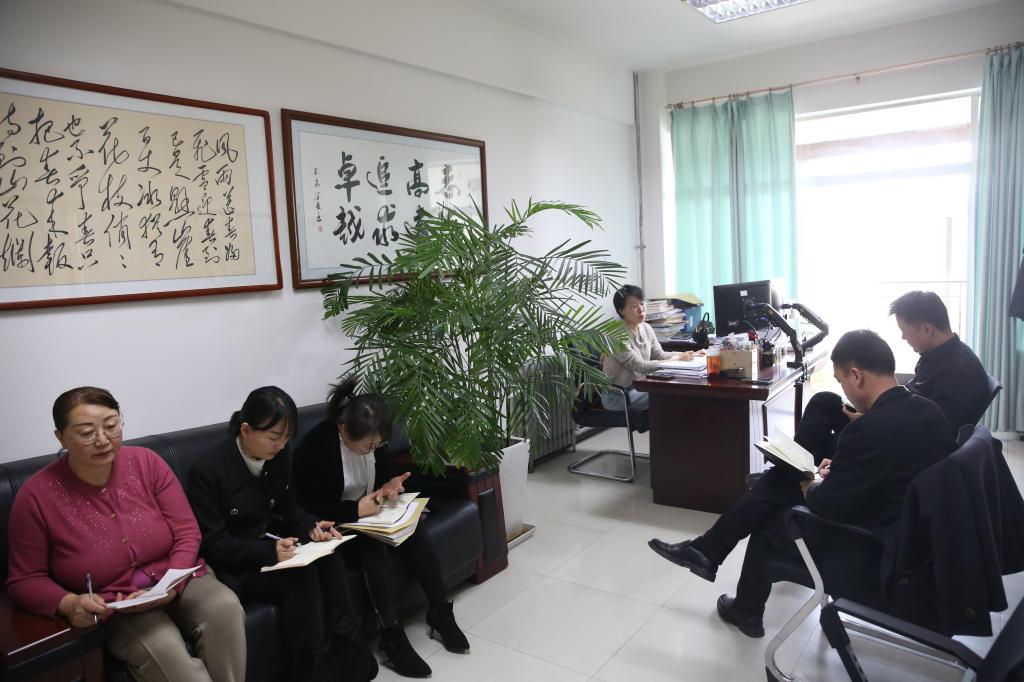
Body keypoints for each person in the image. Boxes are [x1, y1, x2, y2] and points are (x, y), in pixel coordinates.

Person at [648, 331, 955, 637]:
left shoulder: (869, 430)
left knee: (773, 519)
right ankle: (719, 569)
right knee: (779, 484)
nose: (844, 390)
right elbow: (887, 469)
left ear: (857, 376)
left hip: (878, 554)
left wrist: (814, 485)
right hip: (919, 546)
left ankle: (731, 586)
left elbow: (828, 505)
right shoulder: (930, 411)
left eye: (841, 381)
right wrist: (839, 471)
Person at [7, 387, 246, 682]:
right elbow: (24, 579)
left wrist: (170, 583)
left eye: (111, 425)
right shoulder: (36, 496)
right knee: (164, 648)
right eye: (86, 433)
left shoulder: (146, 463)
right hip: (114, 603)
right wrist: (69, 604)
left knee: (224, 608)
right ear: (61, 437)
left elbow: (186, 531)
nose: (103, 439)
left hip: (178, 577)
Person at [186, 386, 377, 682]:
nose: (282, 445)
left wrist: (310, 525)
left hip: (275, 545)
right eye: (274, 437)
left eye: (287, 437)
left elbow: (288, 505)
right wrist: (269, 552)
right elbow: (214, 544)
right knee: (301, 577)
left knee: (329, 556)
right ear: (245, 430)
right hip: (239, 564)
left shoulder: (278, 456)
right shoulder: (209, 472)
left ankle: (349, 649)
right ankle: (311, 669)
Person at [293, 376, 469, 679]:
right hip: (333, 527)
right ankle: (392, 634)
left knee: (413, 528)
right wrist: (354, 510)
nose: (373, 450)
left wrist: (390, 485)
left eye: (379, 445)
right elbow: (308, 507)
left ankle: (440, 611)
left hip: (368, 516)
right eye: (368, 446)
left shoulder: (371, 440)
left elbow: (383, 475)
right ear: (343, 430)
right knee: (372, 545)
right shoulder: (317, 448)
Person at [792, 291, 989, 461]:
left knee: (821, 433)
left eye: (904, 331)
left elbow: (929, 433)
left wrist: (870, 420)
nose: (903, 337)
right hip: (891, 420)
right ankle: (802, 463)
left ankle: (802, 470)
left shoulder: (959, 372)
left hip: (894, 444)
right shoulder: (940, 355)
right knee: (825, 402)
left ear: (927, 329)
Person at [601, 285, 702, 416]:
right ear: (621, 311)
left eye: (642, 303)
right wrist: (676, 359)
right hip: (618, 395)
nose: (641, 309)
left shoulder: (646, 328)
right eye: (634, 306)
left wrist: (688, 355)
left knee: (676, 390)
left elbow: (660, 355)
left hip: (639, 387)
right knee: (668, 394)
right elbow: (639, 366)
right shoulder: (616, 335)